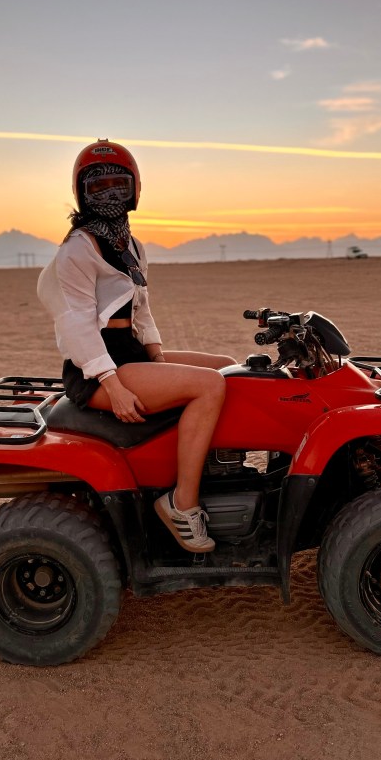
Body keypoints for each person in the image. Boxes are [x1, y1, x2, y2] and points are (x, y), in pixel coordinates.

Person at [38, 140, 236, 553]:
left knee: (228, 368)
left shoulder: (130, 244)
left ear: (134, 189)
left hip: (127, 349)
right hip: (96, 366)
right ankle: (182, 504)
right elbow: (76, 323)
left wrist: (159, 360)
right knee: (210, 387)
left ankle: (214, 472)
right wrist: (112, 385)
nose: (110, 193)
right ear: (82, 193)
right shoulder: (78, 248)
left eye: (118, 183)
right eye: (99, 186)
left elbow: (141, 310)